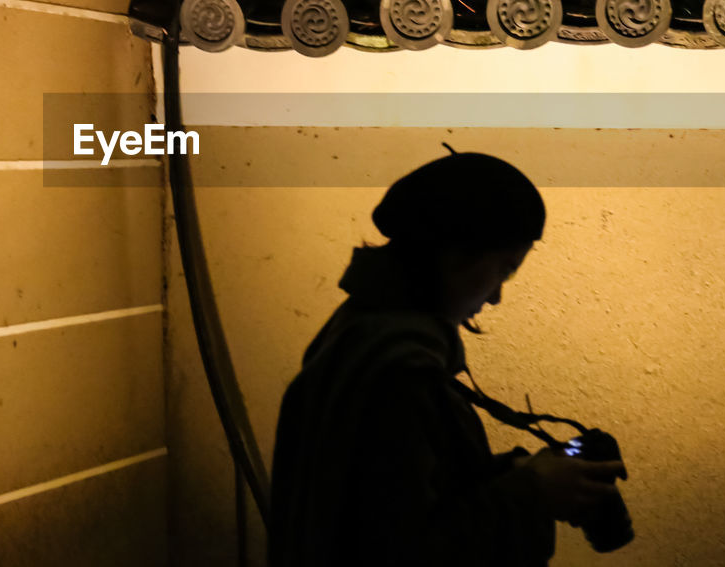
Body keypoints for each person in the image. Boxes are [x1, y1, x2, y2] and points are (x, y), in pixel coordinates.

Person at [268, 150, 626, 566]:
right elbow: (405, 551)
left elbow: (392, 501)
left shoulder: (358, 333)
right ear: (455, 256)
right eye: (504, 269)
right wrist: (534, 494)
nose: (495, 297)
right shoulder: (400, 373)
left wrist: (521, 475)